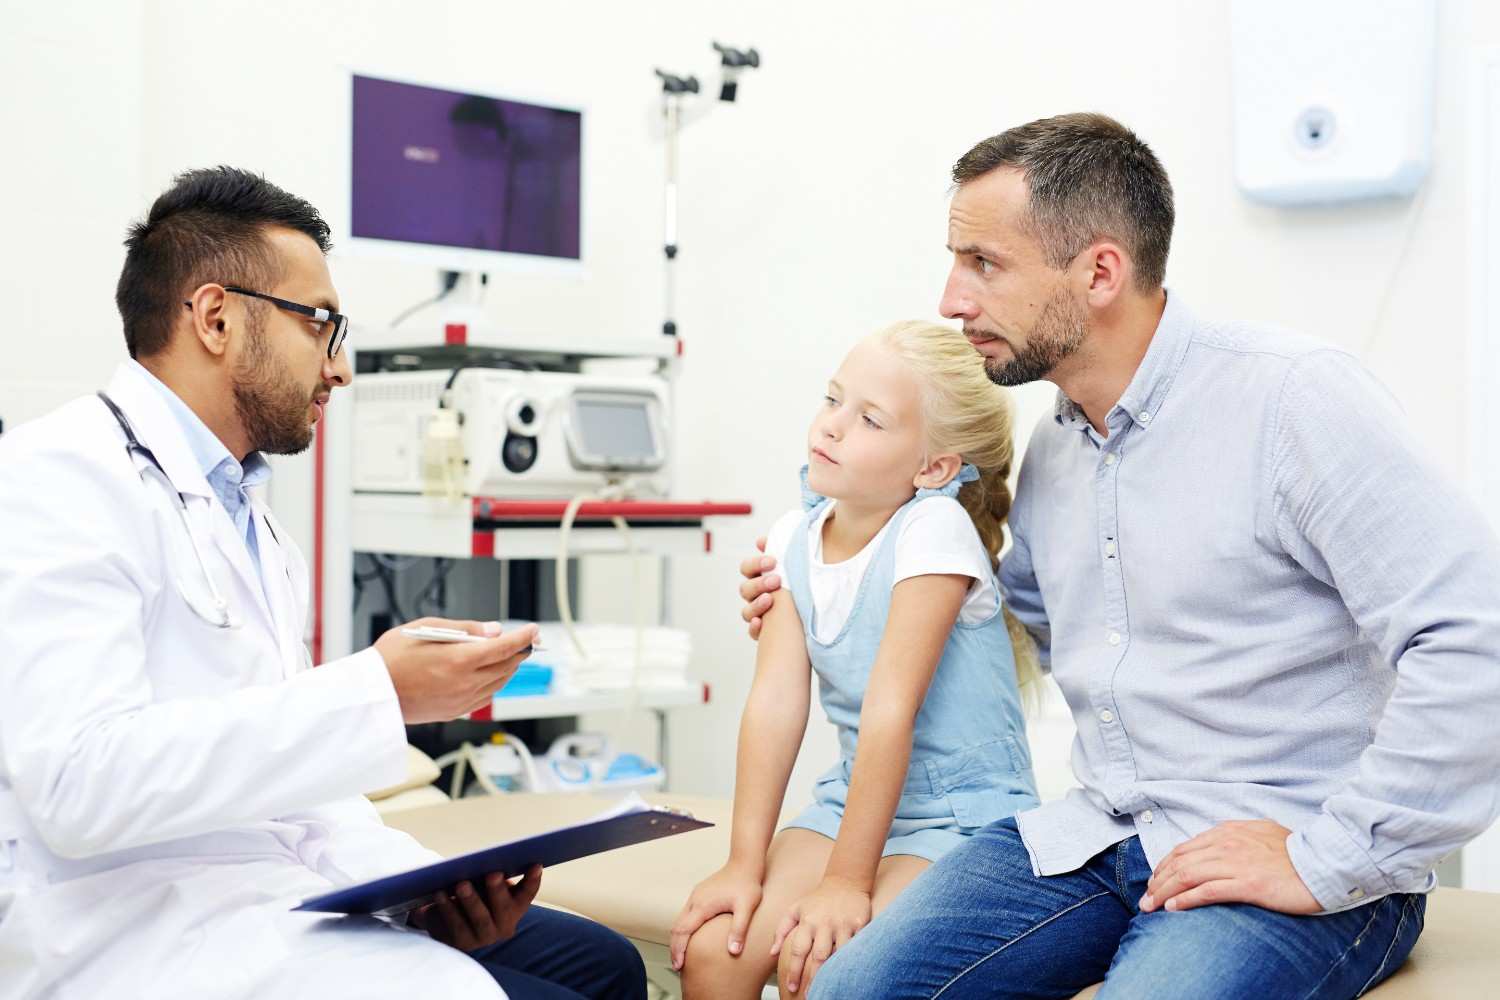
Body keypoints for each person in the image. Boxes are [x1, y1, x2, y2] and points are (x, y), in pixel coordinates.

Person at [737, 114, 1500, 998]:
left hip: (1285, 841)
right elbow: (1007, 621)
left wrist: (1328, 855)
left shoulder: (1292, 400)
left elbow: (1473, 638)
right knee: (848, 992)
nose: (951, 299)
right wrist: (826, 587)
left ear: (1100, 272)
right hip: (1102, 835)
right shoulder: (1059, 450)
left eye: (983, 263)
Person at [0, 167, 645, 1000]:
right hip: (131, 925)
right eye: (321, 325)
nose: (339, 371)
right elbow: (77, 789)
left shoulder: (249, 517)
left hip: (271, 894)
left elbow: (302, 789)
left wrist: (422, 890)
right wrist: (379, 692)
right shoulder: (56, 477)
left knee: (605, 964)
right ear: (216, 317)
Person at [671, 321, 1041, 998]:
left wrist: (846, 882)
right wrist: (742, 864)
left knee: (824, 966)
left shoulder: (933, 530)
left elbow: (889, 711)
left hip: (961, 815)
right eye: (833, 398)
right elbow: (775, 705)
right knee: (713, 952)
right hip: (852, 801)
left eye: (869, 419)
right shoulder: (794, 535)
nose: (832, 426)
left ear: (932, 469)